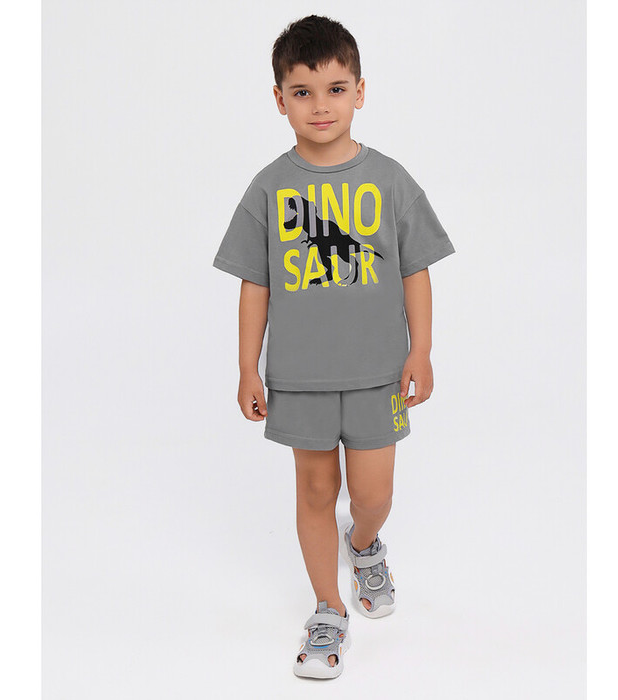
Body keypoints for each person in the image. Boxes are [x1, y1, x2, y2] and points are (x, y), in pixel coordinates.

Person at [212, 14, 456, 680]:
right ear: (279, 99)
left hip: (379, 373)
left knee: (373, 492)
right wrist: (247, 368)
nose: (321, 106)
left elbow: (416, 269)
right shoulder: (269, 188)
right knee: (316, 490)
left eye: (336, 89)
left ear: (360, 92)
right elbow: (255, 284)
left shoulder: (390, 179)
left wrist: (421, 350)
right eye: (303, 92)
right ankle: (327, 608)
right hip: (299, 378)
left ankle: (365, 543)